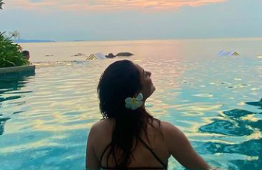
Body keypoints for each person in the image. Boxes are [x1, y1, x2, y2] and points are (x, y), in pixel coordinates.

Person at [85, 60, 213, 170]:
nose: (150, 74)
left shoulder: (97, 132)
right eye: (144, 74)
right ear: (136, 94)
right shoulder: (165, 133)